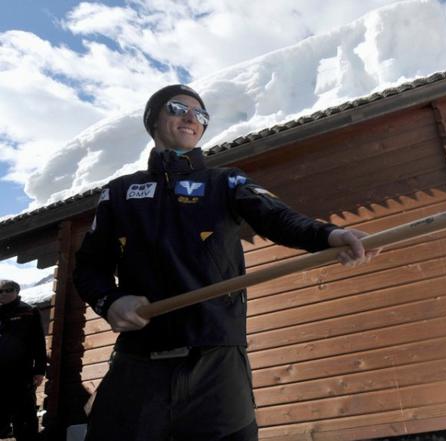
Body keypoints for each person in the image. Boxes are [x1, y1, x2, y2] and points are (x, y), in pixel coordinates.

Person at [73, 84, 378, 441]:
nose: (191, 118)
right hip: (139, 364)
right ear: (152, 120)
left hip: (216, 364)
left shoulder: (225, 181)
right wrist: (111, 302)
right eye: (177, 108)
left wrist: (328, 235)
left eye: (200, 114)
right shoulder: (120, 192)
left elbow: (278, 218)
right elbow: (88, 267)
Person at [0, 279, 46, 441]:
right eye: (0, 291)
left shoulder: (28, 312)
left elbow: (39, 342)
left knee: (24, 416)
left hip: (21, 373)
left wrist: (40, 370)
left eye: (8, 290)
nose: (4, 294)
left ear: (17, 291)